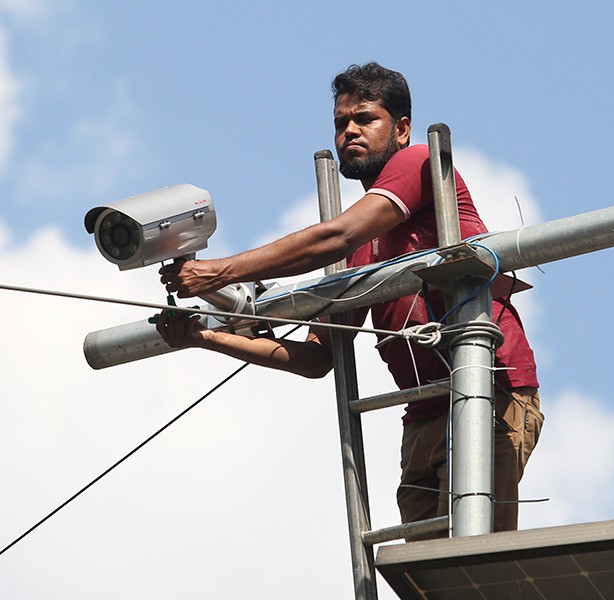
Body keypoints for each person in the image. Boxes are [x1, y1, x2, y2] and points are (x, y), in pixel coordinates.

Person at [157, 62, 542, 535]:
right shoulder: (362, 247)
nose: (350, 131)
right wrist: (202, 338)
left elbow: (335, 236)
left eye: (365, 118)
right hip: (422, 413)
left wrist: (219, 270)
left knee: (475, 564)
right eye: (341, 123)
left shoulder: (419, 164)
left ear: (401, 128)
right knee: (428, 578)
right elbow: (318, 358)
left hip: (487, 390)